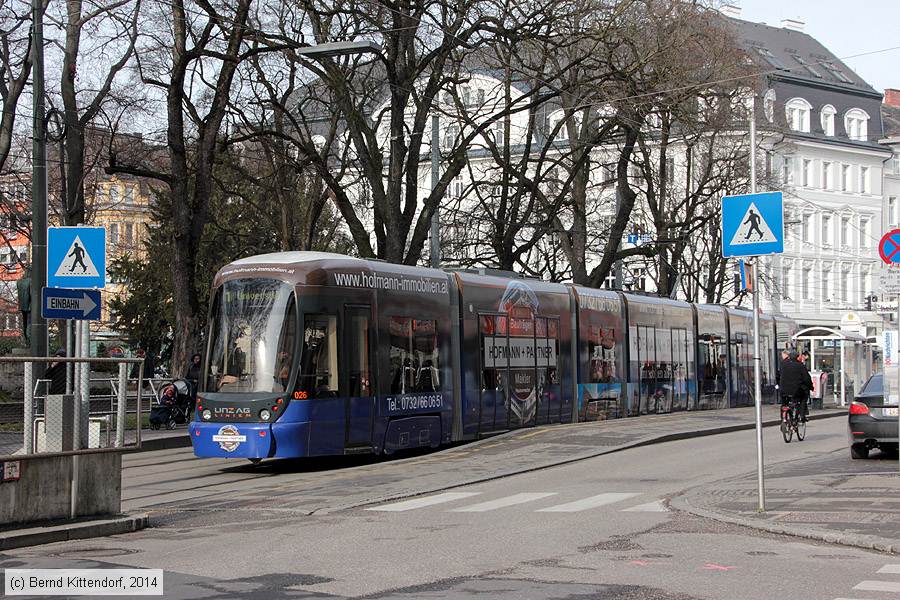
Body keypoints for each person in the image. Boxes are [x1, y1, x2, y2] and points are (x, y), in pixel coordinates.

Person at [779, 350, 812, 422]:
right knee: (803, 398)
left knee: (784, 403)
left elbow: (779, 375)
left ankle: (783, 418)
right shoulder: (800, 366)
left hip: (783, 390)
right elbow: (806, 378)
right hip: (796, 390)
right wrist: (811, 387)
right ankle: (802, 416)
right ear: (797, 357)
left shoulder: (783, 364)